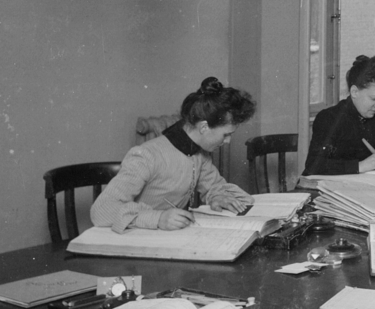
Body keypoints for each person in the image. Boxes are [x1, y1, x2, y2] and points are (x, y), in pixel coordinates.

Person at [91, 77, 256, 232]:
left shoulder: (198, 153)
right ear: (204, 127)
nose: (228, 141)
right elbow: (101, 210)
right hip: (134, 240)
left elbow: (213, 186)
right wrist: (158, 218)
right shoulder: (146, 155)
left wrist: (217, 196)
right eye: (226, 134)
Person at [302, 54, 375, 175]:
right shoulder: (329, 118)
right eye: (374, 98)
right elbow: (314, 166)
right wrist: (359, 166)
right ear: (354, 92)